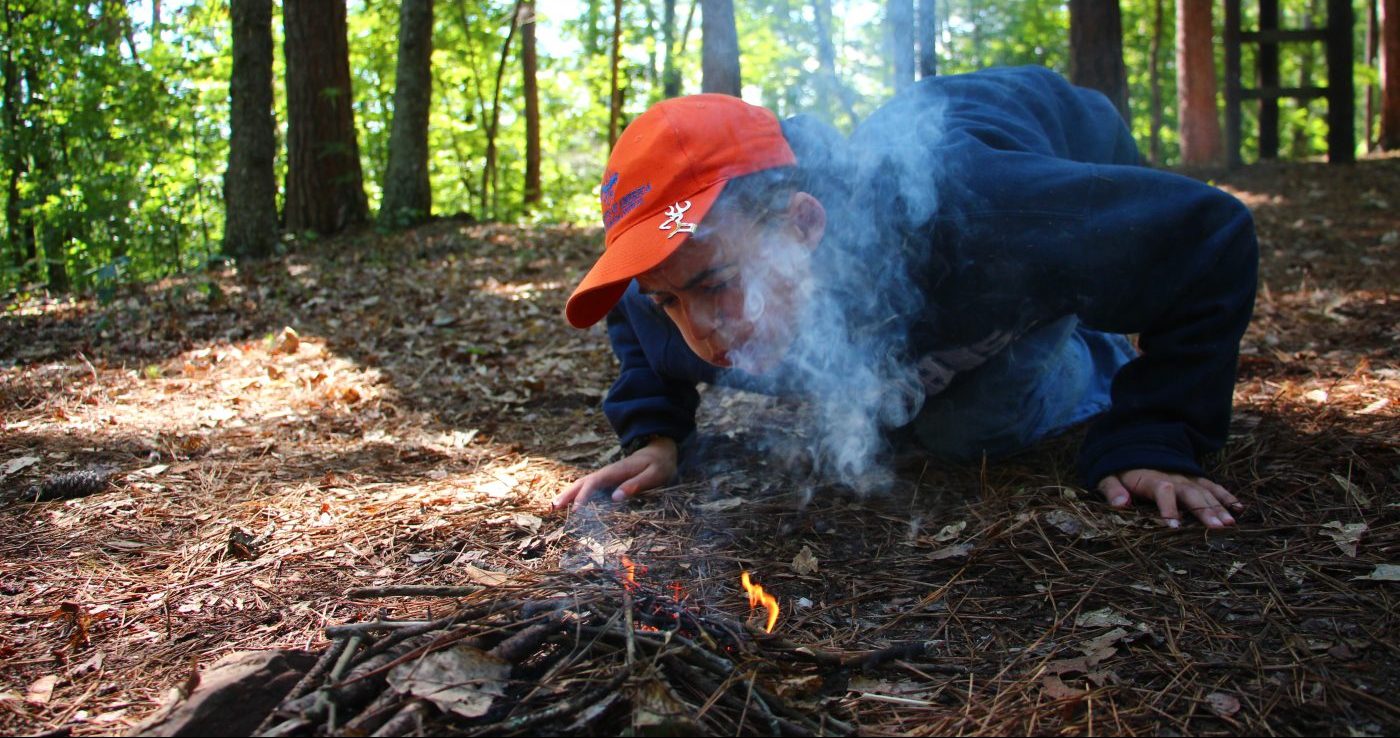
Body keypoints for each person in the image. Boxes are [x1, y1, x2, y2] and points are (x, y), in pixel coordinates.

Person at [552, 65, 1257, 530]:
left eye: (716, 285)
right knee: (897, 404)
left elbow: (1209, 236)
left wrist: (1157, 433)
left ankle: (1088, 343)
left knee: (965, 428)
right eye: (671, 301)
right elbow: (635, 313)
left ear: (804, 225)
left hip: (1063, 145)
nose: (701, 331)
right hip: (969, 241)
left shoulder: (980, 215)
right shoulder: (693, 298)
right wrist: (655, 433)